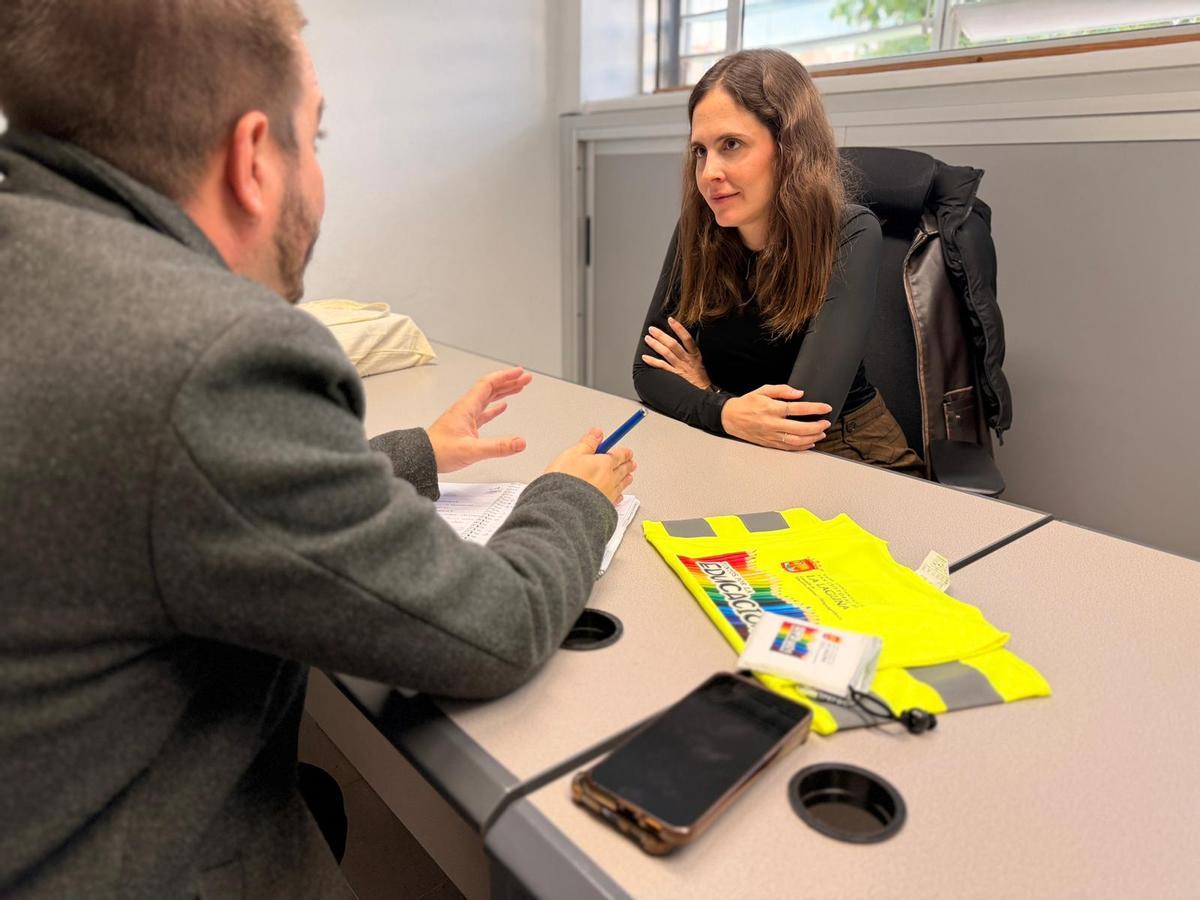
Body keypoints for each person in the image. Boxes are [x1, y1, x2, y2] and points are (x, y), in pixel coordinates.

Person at [0, 2, 635, 897]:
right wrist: (573, 494)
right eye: (318, 135)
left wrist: (416, 454)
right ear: (254, 158)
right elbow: (496, 627)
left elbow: (180, 493)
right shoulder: (209, 355)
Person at [632, 49, 922, 473]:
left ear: (789, 149)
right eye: (700, 151)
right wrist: (725, 410)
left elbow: (801, 417)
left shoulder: (849, 232)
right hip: (738, 447)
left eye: (731, 145)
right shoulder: (699, 228)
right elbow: (648, 371)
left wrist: (706, 392)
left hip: (851, 456)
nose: (709, 171)